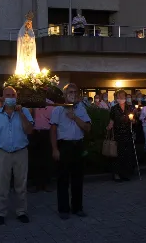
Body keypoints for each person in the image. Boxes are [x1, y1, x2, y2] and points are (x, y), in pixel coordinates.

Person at [0, 86, 34, 225]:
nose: (10, 97)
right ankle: (1, 213)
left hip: (20, 152)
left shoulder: (24, 111)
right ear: (2, 97)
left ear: (16, 97)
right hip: (3, 153)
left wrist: (21, 114)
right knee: (2, 185)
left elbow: (29, 130)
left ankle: (21, 211)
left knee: (21, 184)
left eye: (13, 95)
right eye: (7, 95)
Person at [50, 83, 91, 220]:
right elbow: (53, 130)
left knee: (78, 179)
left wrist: (75, 117)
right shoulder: (58, 110)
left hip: (78, 146)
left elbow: (87, 128)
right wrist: (55, 149)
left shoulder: (81, 109)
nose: (73, 95)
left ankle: (77, 207)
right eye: (70, 92)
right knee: (63, 179)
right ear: (65, 95)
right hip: (64, 146)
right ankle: (63, 209)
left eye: (75, 92)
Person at [106, 90, 136, 181]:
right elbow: (111, 120)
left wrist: (133, 121)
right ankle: (116, 174)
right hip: (118, 134)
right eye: (119, 97)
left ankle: (125, 174)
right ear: (116, 98)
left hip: (127, 133)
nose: (121, 98)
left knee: (127, 154)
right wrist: (109, 127)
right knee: (117, 154)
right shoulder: (114, 108)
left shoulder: (129, 108)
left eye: (123, 96)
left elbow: (134, 120)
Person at [28, 99, 55, 193]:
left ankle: (46, 184)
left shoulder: (51, 104)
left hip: (46, 133)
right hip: (35, 133)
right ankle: (36, 184)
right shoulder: (32, 103)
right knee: (35, 159)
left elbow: (53, 121)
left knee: (46, 158)